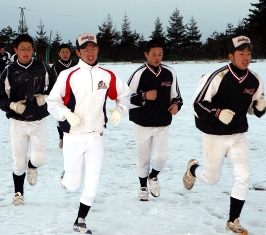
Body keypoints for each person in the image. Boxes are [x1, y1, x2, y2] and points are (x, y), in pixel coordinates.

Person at [46, 33, 130, 234]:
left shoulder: (107, 75)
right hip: (73, 137)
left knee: (93, 180)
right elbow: (52, 102)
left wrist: (120, 110)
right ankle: (67, 178)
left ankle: (80, 220)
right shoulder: (68, 75)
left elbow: (125, 95)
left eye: (93, 48)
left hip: (96, 136)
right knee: (74, 186)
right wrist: (66, 113)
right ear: (78, 52)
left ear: (98, 49)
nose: (90, 53)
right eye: (85, 49)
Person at [183, 35, 266, 234]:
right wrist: (218, 113)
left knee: (242, 176)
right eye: (241, 53)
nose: (246, 57)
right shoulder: (217, 76)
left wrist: (260, 107)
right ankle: (193, 169)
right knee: (212, 179)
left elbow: (254, 107)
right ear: (230, 56)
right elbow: (197, 104)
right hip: (214, 135)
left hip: (237, 135)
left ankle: (233, 220)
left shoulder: (254, 79)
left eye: (248, 53)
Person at [0, 34, 55, 205]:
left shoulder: (44, 68)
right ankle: (18, 193)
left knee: (39, 159)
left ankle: (32, 166)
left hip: (39, 121)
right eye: (22, 49)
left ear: (33, 50)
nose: (25, 52)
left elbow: (58, 89)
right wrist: (11, 105)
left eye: (29, 48)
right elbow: (1, 97)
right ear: (15, 50)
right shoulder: (8, 72)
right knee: (18, 161)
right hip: (18, 122)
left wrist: (47, 97)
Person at [127, 39, 183, 201]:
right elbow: (125, 97)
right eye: (153, 54)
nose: (157, 58)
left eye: (160, 54)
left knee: (161, 157)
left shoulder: (170, 72)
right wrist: (144, 96)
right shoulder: (139, 73)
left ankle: (153, 176)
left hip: (162, 122)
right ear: (146, 54)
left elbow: (177, 96)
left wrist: (176, 105)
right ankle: (143, 187)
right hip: (142, 123)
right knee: (143, 157)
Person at [51, 43, 77, 148]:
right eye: (63, 52)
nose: (65, 54)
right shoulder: (55, 66)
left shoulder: (76, 64)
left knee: (74, 115)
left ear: (70, 53)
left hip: (74, 96)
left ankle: (74, 138)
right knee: (61, 117)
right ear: (59, 53)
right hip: (61, 96)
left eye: (67, 52)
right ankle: (62, 137)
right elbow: (53, 83)